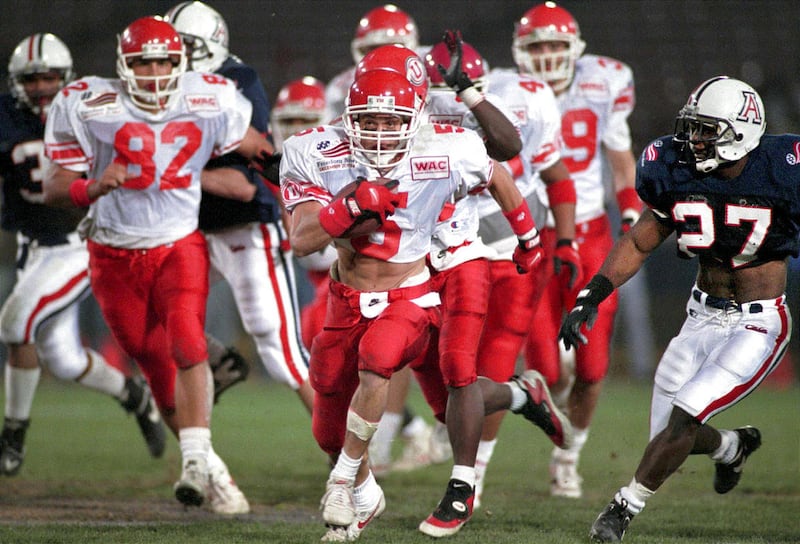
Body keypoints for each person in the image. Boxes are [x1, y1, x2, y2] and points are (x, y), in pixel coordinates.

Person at [281, 68, 570, 541]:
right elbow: (302, 237)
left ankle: (458, 486)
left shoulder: (450, 139)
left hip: (450, 262)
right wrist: (345, 208)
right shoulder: (321, 149)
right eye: (368, 119)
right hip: (373, 282)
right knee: (437, 404)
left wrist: (529, 238)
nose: (379, 132)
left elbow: (503, 163)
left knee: (450, 371)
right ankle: (520, 395)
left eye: (391, 120)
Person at [42, 16, 273, 514]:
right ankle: (213, 469)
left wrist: (295, 185)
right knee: (155, 370)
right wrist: (92, 186)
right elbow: (54, 186)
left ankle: (193, 461)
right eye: (142, 63)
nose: (153, 73)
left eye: (164, 62)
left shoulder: (210, 96)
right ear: (123, 65)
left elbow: (257, 146)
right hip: (112, 254)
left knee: (188, 341)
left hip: (177, 245)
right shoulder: (87, 101)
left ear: (179, 63)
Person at [559, 76, 795, 542]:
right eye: (692, 128)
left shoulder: (783, 169)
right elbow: (638, 241)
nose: (694, 140)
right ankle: (730, 446)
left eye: (707, 130)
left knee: (684, 418)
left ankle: (621, 509)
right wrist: (593, 293)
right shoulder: (676, 169)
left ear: (741, 132)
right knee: (670, 434)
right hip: (699, 316)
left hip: (756, 323)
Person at [0, 32, 165, 477]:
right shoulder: (5, 116)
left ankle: (12, 436)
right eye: (31, 79)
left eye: (49, 77)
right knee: (64, 358)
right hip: (32, 247)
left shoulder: (90, 109)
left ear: (66, 77)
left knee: (15, 323)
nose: (40, 87)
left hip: (78, 244)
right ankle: (134, 395)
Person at [513, 1, 643, 499]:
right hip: (532, 236)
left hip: (589, 235)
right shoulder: (507, 91)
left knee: (591, 369)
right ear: (520, 52)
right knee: (545, 370)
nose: (547, 55)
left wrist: (629, 217)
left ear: (575, 49)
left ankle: (568, 458)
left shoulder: (605, 82)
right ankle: (555, 396)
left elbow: (621, 160)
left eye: (555, 44)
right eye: (538, 45)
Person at [164, 1, 312, 415]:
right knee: (154, 309)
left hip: (246, 224)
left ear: (209, 44)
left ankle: (348, 449)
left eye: (185, 46)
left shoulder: (234, 81)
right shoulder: (163, 87)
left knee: (281, 352)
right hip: (189, 226)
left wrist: (175, 172)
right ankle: (218, 365)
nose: (174, 59)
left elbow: (250, 174)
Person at [325, 3, 421, 122]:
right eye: (374, 49)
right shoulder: (340, 87)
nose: (382, 55)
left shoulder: (430, 68)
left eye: (391, 47)